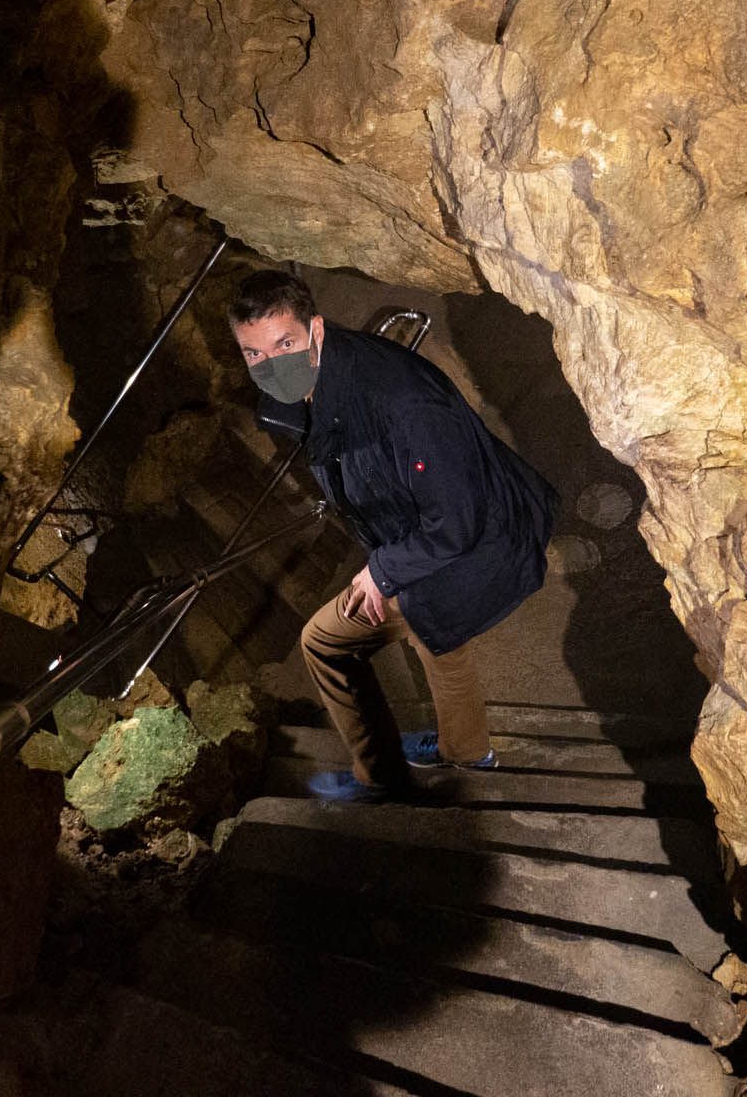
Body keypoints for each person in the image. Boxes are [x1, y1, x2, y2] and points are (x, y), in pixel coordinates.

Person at [227, 269, 558, 802]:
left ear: (315, 330)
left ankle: (381, 779)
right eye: (254, 354)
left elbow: (455, 521)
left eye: (283, 343)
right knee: (438, 641)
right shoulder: (326, 371)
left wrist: (381, 572)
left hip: (472, 540)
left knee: (326, 642)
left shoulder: (402, 405)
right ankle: (468, 754)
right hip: (432, 532)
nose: (271, 363)